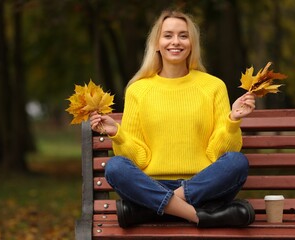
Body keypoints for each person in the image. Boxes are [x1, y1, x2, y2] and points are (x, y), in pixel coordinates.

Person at [89, 9, 256, 228]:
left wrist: (233, 120)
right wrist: (116, 134)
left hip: (203, 186)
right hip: (151, 184)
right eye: (168, 35)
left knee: (237, 162)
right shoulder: (138, 90)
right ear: (157, 43)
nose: (175, 42)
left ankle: (149, 211)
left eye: (183, 36)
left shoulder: (213, 86)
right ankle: (198, 216)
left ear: (191, 44)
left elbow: (219, 154)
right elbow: (139, 160)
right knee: (115, 167)